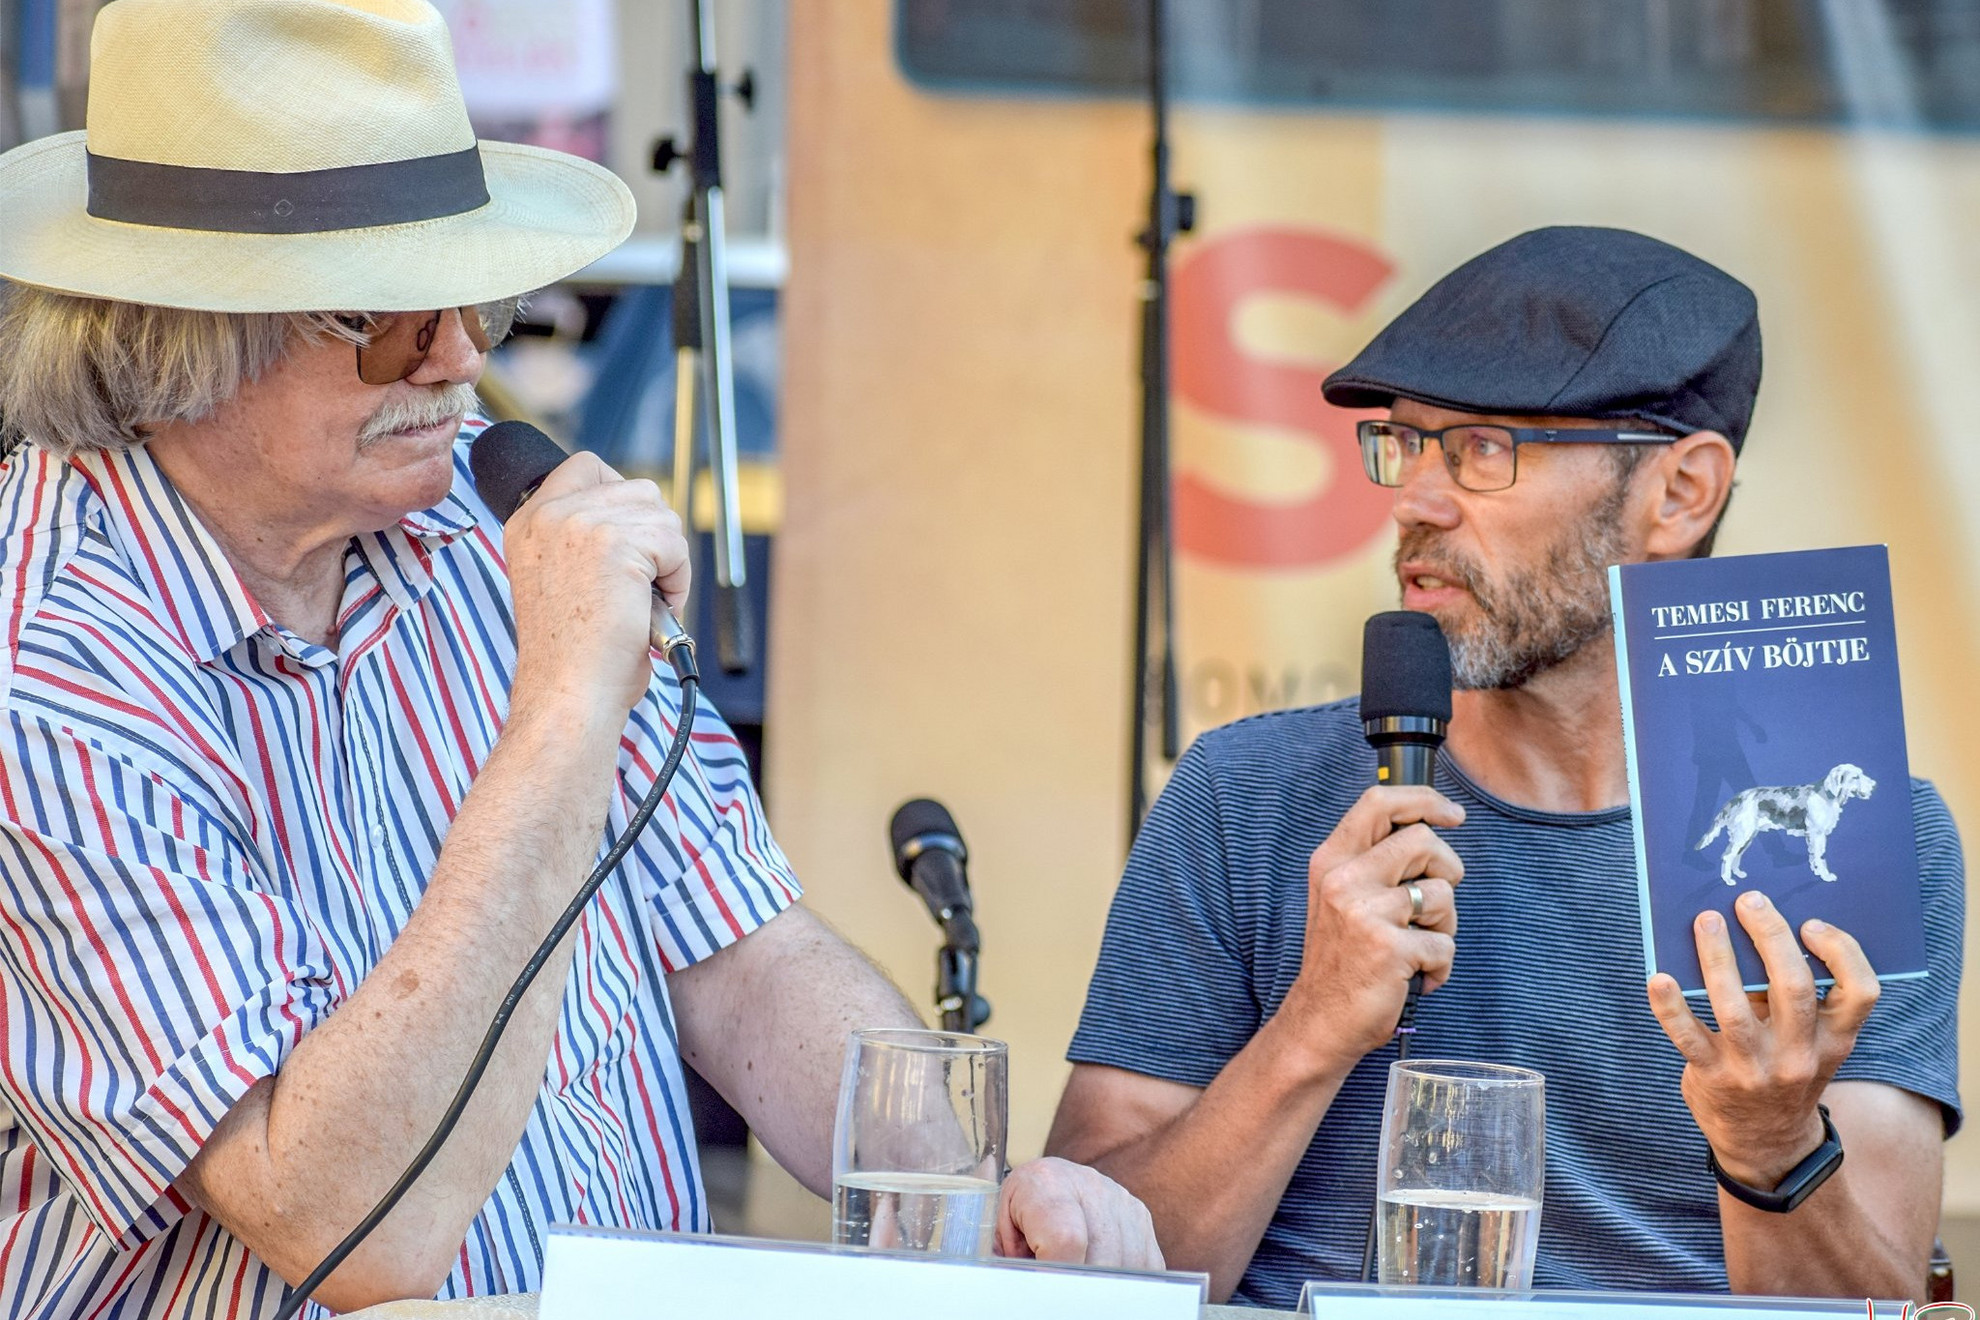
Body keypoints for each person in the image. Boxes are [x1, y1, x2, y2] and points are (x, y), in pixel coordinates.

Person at [0, 3, 1159, 1316]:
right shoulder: (43, 670)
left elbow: (745, 957)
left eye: (481, 294)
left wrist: (972, 1204)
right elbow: (342, 1227)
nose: (465, 355)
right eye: (393, 316)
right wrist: (562, 705)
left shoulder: (486, 530)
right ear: (179, 337)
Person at [1046, 226, 1962, 1307]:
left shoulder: (1868, 842)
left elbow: (1876, 1306)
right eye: (1407, 443)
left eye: (1484, 449)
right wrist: (1312, 1028)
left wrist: (1771, 1147)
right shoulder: (1243, 795)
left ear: (1680, 494)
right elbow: (1088, 1275)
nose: (1417, 500)